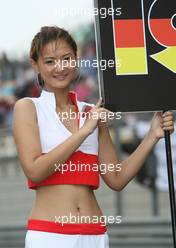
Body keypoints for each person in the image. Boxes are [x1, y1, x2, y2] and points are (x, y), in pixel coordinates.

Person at [12, 26, 174, 248]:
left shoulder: (91, 112)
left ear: (76, 59)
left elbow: (116, 179)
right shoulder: (28, 107)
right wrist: (83, 132)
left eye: (66, 58)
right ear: (35, 65)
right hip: (50, 235)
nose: (60, 67)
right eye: (50, 61)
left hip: (95, 235)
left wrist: (152, 136)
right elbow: (34, 170)